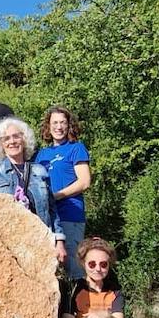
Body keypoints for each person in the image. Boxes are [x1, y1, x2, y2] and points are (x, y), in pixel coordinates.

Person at [0, 117, 66, 265]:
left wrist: (59, 241)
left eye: (16, 136)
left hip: (41, 239)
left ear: (24, 139)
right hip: (9, 241)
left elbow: (52, 209)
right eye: (6, 139)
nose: (12, 141)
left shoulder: (40, 170)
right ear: (1, 144)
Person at [35, 106, 92, 280]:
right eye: (54, 123)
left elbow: (84, 182)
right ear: (48, 126)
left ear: (69, 126)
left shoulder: (76, 148)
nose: (58, 127)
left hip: (69, 214)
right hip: (47, 217)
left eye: (62, 123)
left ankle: (80, 305)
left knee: (73, 267)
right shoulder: (42, 155)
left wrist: (57, 196)